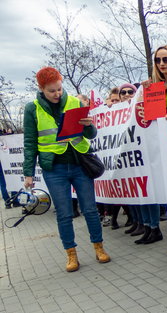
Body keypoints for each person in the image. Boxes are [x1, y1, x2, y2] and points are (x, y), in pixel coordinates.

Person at [22, 67, 110, 272]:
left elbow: (91, 134)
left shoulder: (74, 102)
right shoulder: (31, 108)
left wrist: (89, 125)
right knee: (64, 213)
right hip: (54, 169)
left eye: (59, 89)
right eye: (52, 91)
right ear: (41, 88)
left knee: (89, 209)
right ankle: (71, 255)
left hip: (80, 164)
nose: (57, 94)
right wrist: (28, 173)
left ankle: (99, 247)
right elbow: (29, 142)